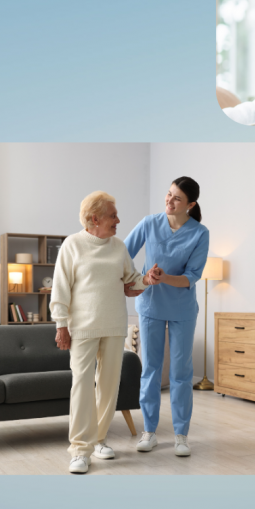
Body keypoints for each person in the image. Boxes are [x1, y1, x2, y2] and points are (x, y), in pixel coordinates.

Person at [51, 191, 160, 474]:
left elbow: (131, 280)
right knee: (82, 387)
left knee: (109, 387)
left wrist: (148, 279)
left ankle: (98, 440)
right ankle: (79, 449)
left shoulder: (118, 247)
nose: (118, 220)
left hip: (113, 327)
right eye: (113, 215)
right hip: (82, 328)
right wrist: (61, 325)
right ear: (94, 219)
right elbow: (60, 289)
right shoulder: (72, 245)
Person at [124, 177, 210, 458]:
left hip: (182, 310)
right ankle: (149, 431)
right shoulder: (150, 223)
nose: (169, 202)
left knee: (181, 373)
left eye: (176, 199)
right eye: (168, 194)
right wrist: (142, 278)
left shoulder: (200, 233)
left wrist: (164, 277)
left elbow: (191, 277)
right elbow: (123, 254)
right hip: (150, 306)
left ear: (191, 205)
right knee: (150, 369)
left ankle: (181, 435)